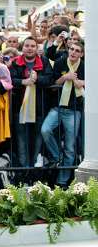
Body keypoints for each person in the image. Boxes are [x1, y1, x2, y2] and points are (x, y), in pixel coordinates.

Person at [41, 40, 85, 187]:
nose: (73, 52)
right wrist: (65, 78)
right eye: (72, 49)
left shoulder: (85, 65)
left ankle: (62, 182)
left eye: (77, 50)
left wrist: (82, 82)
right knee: (45, 130)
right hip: (57, 107)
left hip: (74, 109)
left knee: (70, 147)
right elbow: (52, 84)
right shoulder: (60, 62)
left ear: (81, 54)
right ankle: (56, 156)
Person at [9, 37, 53, 184]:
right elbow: (10, 80)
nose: (29, 48)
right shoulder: (15, 62)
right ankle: (23, 175)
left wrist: (37, 79)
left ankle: (34, 176)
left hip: (39, 109)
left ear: (36, 48)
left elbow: (50, 79)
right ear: (23, 47)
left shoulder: (44, 61)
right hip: (19, 109)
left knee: (37, 143)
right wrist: (23, 82)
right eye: (27, 45)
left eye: (33, 46)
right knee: (22, 143)